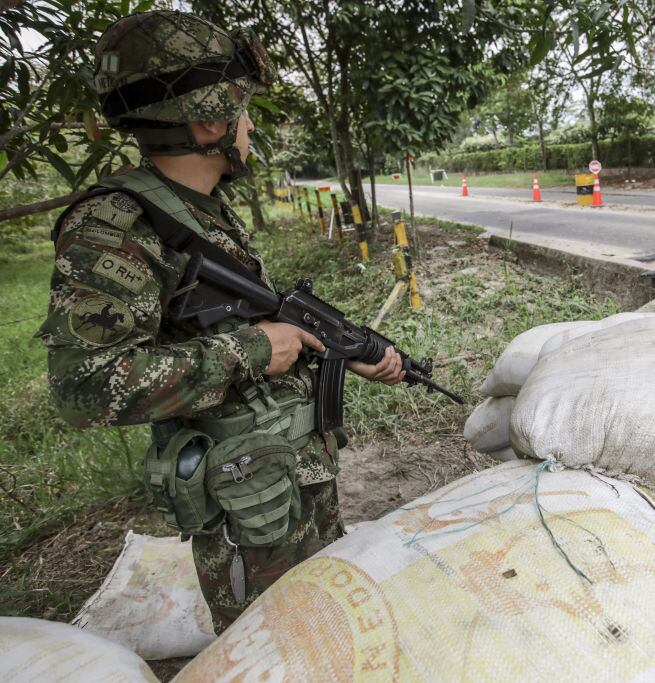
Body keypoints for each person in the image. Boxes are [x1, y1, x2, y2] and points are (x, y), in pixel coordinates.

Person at [35, 10, 403, 633]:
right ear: (210, 119)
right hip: (245, 501)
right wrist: (253, 350)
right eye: (244, 109)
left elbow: (230, 326)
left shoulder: (199, 209)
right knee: (275, 643)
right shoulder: (117, 227)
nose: (251, 124)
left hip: (285, 475)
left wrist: (337, 349)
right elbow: (85, 387)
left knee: (329, 624)